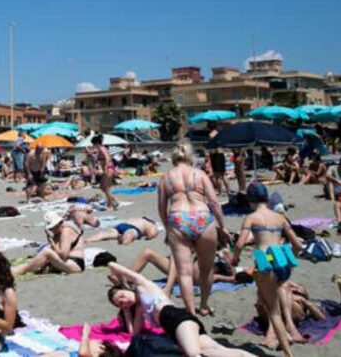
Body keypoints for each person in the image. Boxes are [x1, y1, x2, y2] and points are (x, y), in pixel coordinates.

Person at [105, 262, 254, 357]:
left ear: (126, 289)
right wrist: (126, 310)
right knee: (219, 350)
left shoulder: (144, 286)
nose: (124, 301)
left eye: (122, 296)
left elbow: (113, 265)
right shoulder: (140, 308)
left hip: (175, 318)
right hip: (176, 325)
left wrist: (121, 282)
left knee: (194, 354)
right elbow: (134, 333)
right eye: (120, 303)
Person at [232, 182, 306, 357]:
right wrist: (291, 258)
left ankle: (288, 354)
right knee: (280, 297)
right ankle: (288, 335)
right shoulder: (279, 217)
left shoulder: (251, 217)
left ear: (251, 199)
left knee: (273, 312)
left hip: (265, 261)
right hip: (282, 260)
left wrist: (235, 258)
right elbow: (297, 244)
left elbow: (240, 243)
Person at [158, 142, 230, 317]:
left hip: (178, 218)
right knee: (207, 269)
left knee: (184, 272)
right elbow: (214, 202)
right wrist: (222, 226)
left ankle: (190, 313)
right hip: (202, 217)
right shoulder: (200, 174)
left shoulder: (166, 177)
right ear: (191, 157)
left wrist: (168, 228)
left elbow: (161, 208)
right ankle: (204, 305)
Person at [12, 211, 91, 275]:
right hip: (68, 262)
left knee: (47, 252)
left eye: (53, 227)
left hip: (75, 264)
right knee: (43, 256)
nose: (52, 230)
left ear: (59, 222)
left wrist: (52, 243)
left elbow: (63, 255)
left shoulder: (66, 231)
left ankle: (22, 270)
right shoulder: (58, 233)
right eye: (51, 228)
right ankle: (21, 268)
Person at [87, 135, 119, 210]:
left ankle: (111, 205)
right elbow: (100, 158)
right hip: (108, 168)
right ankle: (113, 200)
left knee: (106, 187)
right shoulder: (100, 149)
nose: (93, 145)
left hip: (108, 169)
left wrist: (105, 168)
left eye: (94, 144)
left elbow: (107, 158)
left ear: (97, 143)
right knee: (102, 187)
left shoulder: (101, 148)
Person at [85, 216, 159, 245]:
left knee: (105, 234)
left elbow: (151, 234)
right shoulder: (151, 225)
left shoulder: (139, 219)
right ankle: (124, 241)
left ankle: (88, 240)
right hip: (133, 228)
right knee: (130, 234)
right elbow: (152, 234)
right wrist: (150, 236)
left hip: (121, 225)